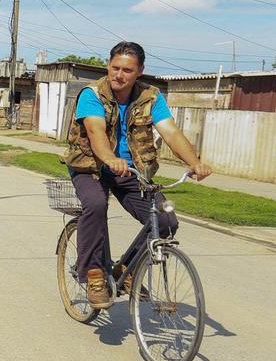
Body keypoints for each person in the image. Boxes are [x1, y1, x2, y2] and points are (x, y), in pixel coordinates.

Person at [63, 41, 212, 308]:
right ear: (108, 66)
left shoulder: (150, 97)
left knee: (165, 220)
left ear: (140, 71)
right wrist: (109, 158)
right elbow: (96, 132)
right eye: (115, 67)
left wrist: (195, 162)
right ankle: (94, 274)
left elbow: (171, 132)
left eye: (127, 70)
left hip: (131, 171)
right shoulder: (92, 94)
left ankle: (127, 270)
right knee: (95, 204)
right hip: (91, 168)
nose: (119, 75)